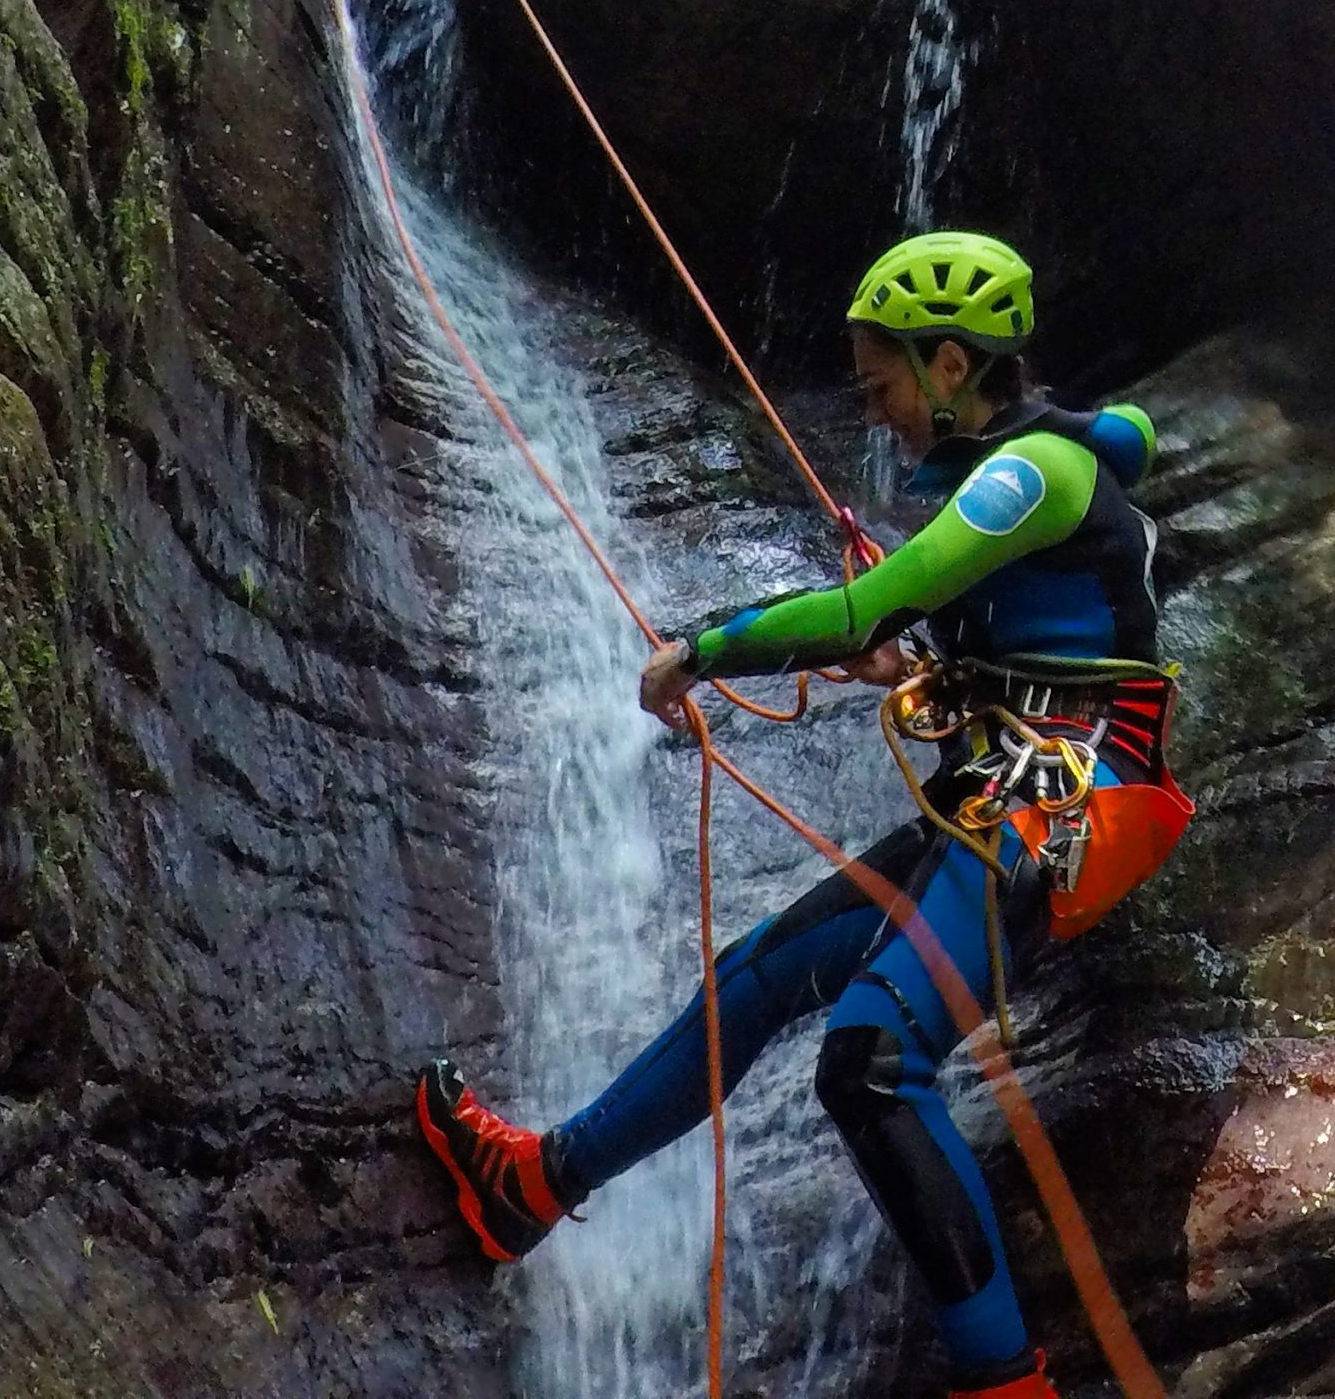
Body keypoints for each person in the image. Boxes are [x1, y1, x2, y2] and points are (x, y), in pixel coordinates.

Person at [415, 230, 1191, 1399]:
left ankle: (1007, 1382)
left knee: (872, 1063)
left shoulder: (1032, 472)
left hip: (1067, 805)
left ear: (945, 362)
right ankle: (533, 1183)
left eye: (881, 381)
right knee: (763, 977)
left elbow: (861, 608)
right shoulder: (1018, 477)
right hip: (1009, 804)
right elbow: (972, 621)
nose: (872, 410)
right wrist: (917, 654)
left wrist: (705, 648)